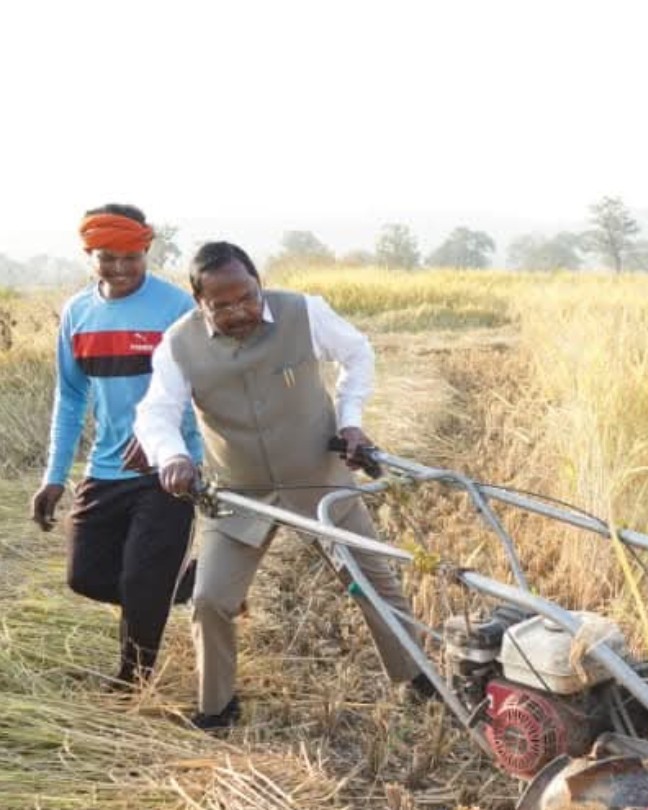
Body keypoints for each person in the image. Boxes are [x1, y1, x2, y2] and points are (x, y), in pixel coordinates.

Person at [130, 241, 429, 731]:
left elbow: (357, 353)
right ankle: (217, 707)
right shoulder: (179, 344)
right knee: (210, 601)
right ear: (199, 302)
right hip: (238, 491)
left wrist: (351, 421)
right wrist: (173, 456)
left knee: (375, 586)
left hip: (318, 478)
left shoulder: (303, 312)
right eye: (221, 305)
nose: (239, 311)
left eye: (247, 296)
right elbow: (155, 412)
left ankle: (416, 679)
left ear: (258, 283)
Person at [30, 203, 203, 688]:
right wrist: (54, 476)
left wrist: (164, 443)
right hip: (105, 469)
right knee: (84, 577)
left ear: (147, 249)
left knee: (140, 580)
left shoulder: (176, 309)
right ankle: (193, 583)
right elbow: (71, 397)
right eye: (108, 257)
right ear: (89, 255)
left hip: (170, 468)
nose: (121, 268)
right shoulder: (77, 312)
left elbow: (201, 388)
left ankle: (133, 679)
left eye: (132, 256)